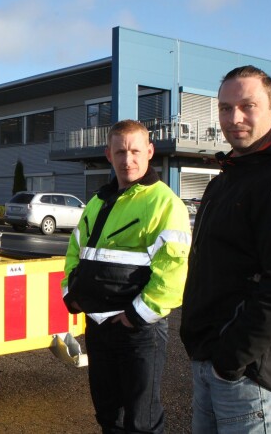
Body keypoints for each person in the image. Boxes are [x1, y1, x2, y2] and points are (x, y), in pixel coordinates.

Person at [180, 65, 271, 433]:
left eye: (248, 106)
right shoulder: (230, 178)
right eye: (226, 108)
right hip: (211, 363)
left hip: (250, 379)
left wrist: (230, 358)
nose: (235, 118)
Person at [62, 119, 191, 433]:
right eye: (120, 151)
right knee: (108, 415)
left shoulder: (164, 203)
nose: (127, 159)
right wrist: (72, 294)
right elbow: (75, 251)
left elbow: (173, 270)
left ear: (149, 151)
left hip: (138, 331)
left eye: (135, 150)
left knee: (141, 421)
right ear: (108, 154)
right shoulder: (98, 201)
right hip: (98, 325)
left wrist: (136, 315)